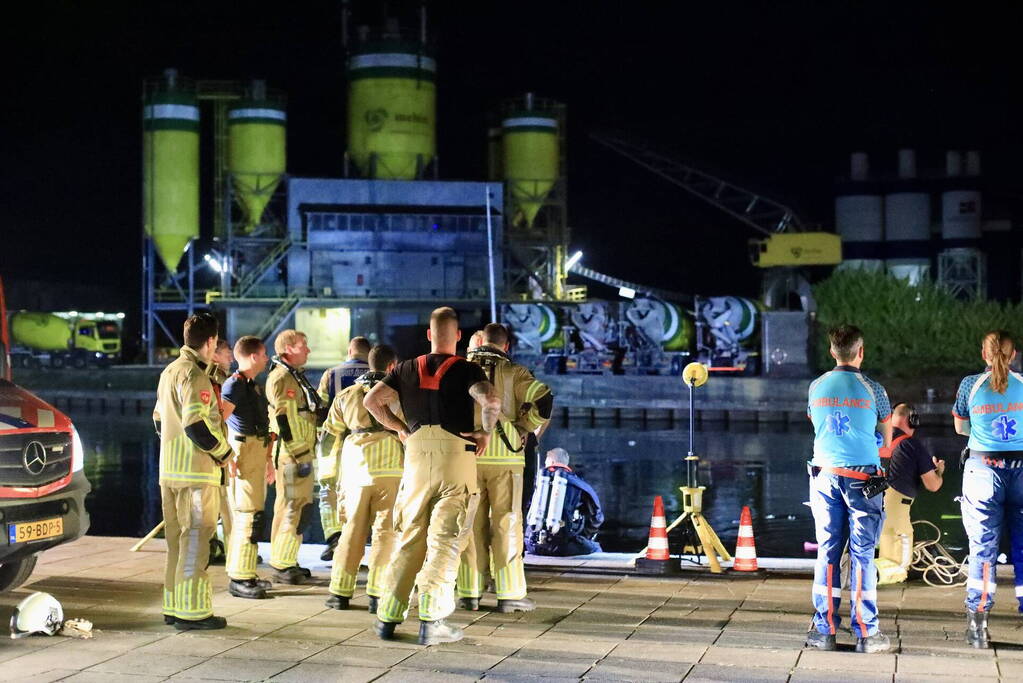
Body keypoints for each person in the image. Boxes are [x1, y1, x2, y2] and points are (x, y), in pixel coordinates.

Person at [364, 307, 501, 645]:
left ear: (428, 334)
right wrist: (485, 431)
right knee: (446, 541)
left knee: (410, 539)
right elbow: (492, 400)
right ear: (458, 336)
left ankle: (388, 617)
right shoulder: (468, 368)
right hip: (455, 457)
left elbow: (372, 401)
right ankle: (432, 619)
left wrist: (399, 428)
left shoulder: (407, 368)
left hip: (416, 455)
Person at [804, 324, 892, 654]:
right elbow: (885, 441)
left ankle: (824, 630)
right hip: (863, 480)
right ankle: (867, 633)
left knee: (828, 552)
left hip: (824, 475)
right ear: (861, 352)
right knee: (863, 554)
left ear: (832, 352)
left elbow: (816, 422)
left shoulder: (817, 386)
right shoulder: (874, 390)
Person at [457, 323, 553, 613]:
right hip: (507, 457)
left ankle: (469, 593)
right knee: (507, 522)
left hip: (467, 454)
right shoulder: (516, 373)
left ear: (480, 341)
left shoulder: (459, 369)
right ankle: (509, 594)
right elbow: (545, 400)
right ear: (506, 345)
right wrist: (525, 427)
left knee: (469, 524)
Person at [153, 312, 232, 630]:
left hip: (169, 472)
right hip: (196, 475)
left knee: (176, 541)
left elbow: (159, 419)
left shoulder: (169, 371)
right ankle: (193, 612)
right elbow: (196, 424)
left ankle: (173, 607)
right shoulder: (195, 376)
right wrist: (223, 452)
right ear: (211, 341)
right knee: (197, 541)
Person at [953, 330, 1023, 649]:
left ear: (984, 354)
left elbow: (960, 427)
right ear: (1014, 355)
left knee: (983, 548)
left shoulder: (970, 385)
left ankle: (978, 625)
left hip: (982, 470)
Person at [322, 344, 404, 612]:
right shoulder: (399, 393)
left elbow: (328, 437)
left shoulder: (346, 395)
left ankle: (340, 592)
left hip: (355, 470)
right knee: (386, 532)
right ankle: (377, 594)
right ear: (392, 366)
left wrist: (326, 475)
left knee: (351, 530)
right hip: (391, 469)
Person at [266, 329, 325, 584]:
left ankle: (288, 560)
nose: (308, 350)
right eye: (304, 345)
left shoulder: (291, 377)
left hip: (300, 454)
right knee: (291, 508)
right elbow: (284, 419)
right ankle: (281, 563)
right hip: (293, 456)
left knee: (298, 508)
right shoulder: (282, 379)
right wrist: (300, 454)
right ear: (288, 348)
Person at [221, 335, 274, 599]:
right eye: (264, 354)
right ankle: (240, 577)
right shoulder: (235, 385)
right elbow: (220, 420)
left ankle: (247, 572)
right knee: (247, 516)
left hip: (255, 450)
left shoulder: (251, 385)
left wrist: (268, 460)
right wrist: (228, 455)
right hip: (244, 451)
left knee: (254, 514)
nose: (266, 359)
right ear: (253, 356)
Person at [875, 402, 944, 585]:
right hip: (896, 513)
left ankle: (859, 567)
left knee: (878, 549)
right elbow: (933, 485)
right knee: (899, 566)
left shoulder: (876, 439)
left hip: (870, 505)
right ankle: (866, 576)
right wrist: (939, 471)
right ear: (911, 420)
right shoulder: (911, 445)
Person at [316, 336, 371, 558]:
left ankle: (334, 536)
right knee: (362, 496)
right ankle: (356, 540)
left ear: (350, 350)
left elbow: (320, 410)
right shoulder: (378, 374)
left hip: (337, 444)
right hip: (368, 447)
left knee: (328, 490)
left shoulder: (332, 374)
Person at [525, 448, 604, 556]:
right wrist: (584, 535)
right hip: (565, 547)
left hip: (533, 545)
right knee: (596, 547)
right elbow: (597, 518)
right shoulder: (580, 484)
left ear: (551, 461)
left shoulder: (536, 483)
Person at [207, 339, 234, 566]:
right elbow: (211, 419)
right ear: (214, 354)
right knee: (217, 505)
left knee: (219, 505)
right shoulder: (211, 379)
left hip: (216, 455)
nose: (231, 358)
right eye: (227, 353)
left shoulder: (219, 379)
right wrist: (223, 452)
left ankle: (218, 547)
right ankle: (218, 548)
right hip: (212, 457)